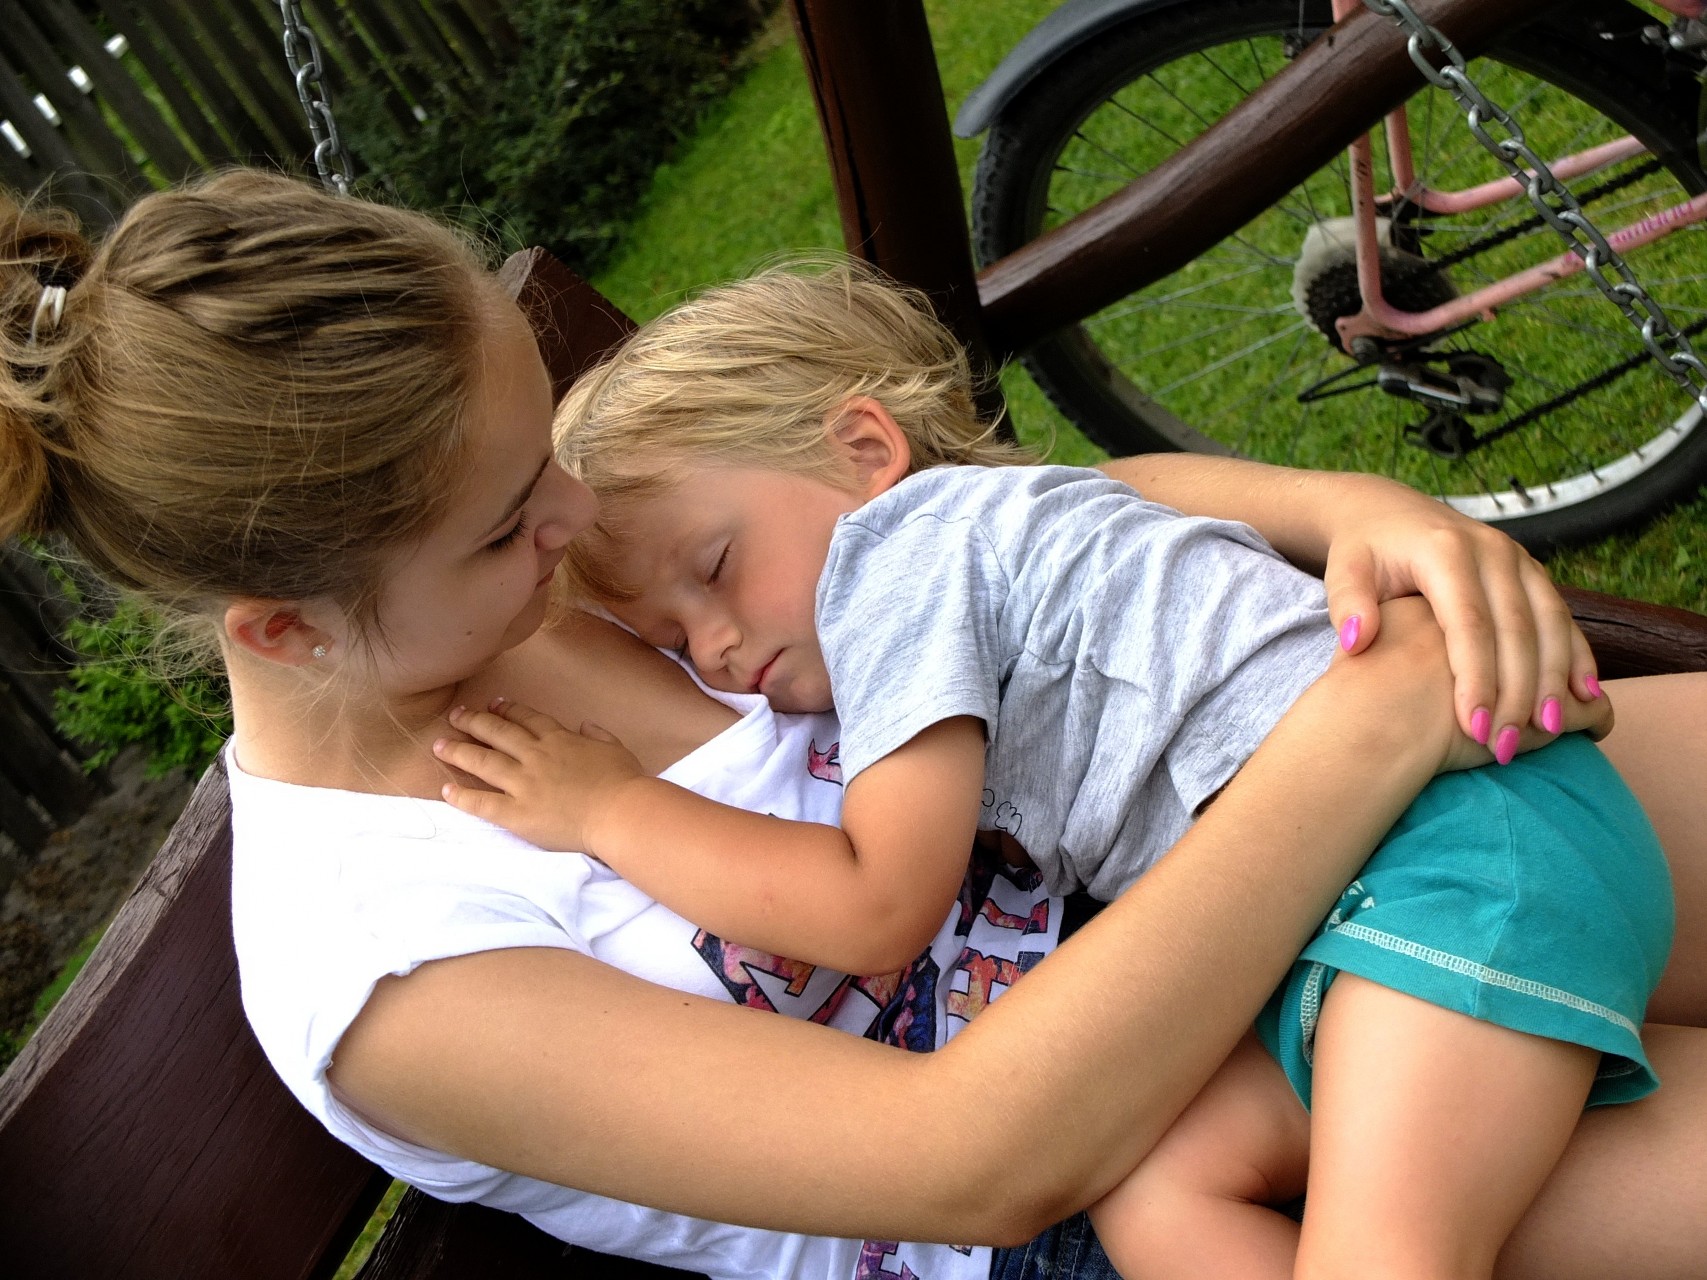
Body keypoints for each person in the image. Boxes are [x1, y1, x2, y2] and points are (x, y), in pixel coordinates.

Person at [3, 171, 1704, 1280]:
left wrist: (1346, 510)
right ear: (285, 629)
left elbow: (977, 536)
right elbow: (974, 1160)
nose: (572, 520)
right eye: (511, 516)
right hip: (1093, 1168)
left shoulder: (535, 596)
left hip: (1192, 844)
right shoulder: (376, 967)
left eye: (544, 460)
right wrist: (1361, 731)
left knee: (1539, 796)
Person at [441, 262, 1676, 1278]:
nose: (715, 646)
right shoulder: (988, 524)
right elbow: (1119, 486)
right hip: (1395, 866)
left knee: (1387, 1254)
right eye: (671, 637)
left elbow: (876, 904)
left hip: (1439, 858)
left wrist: (613, 806)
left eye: (714, 568)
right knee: (1165, 1189)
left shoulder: (893, 563)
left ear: (866, 448)